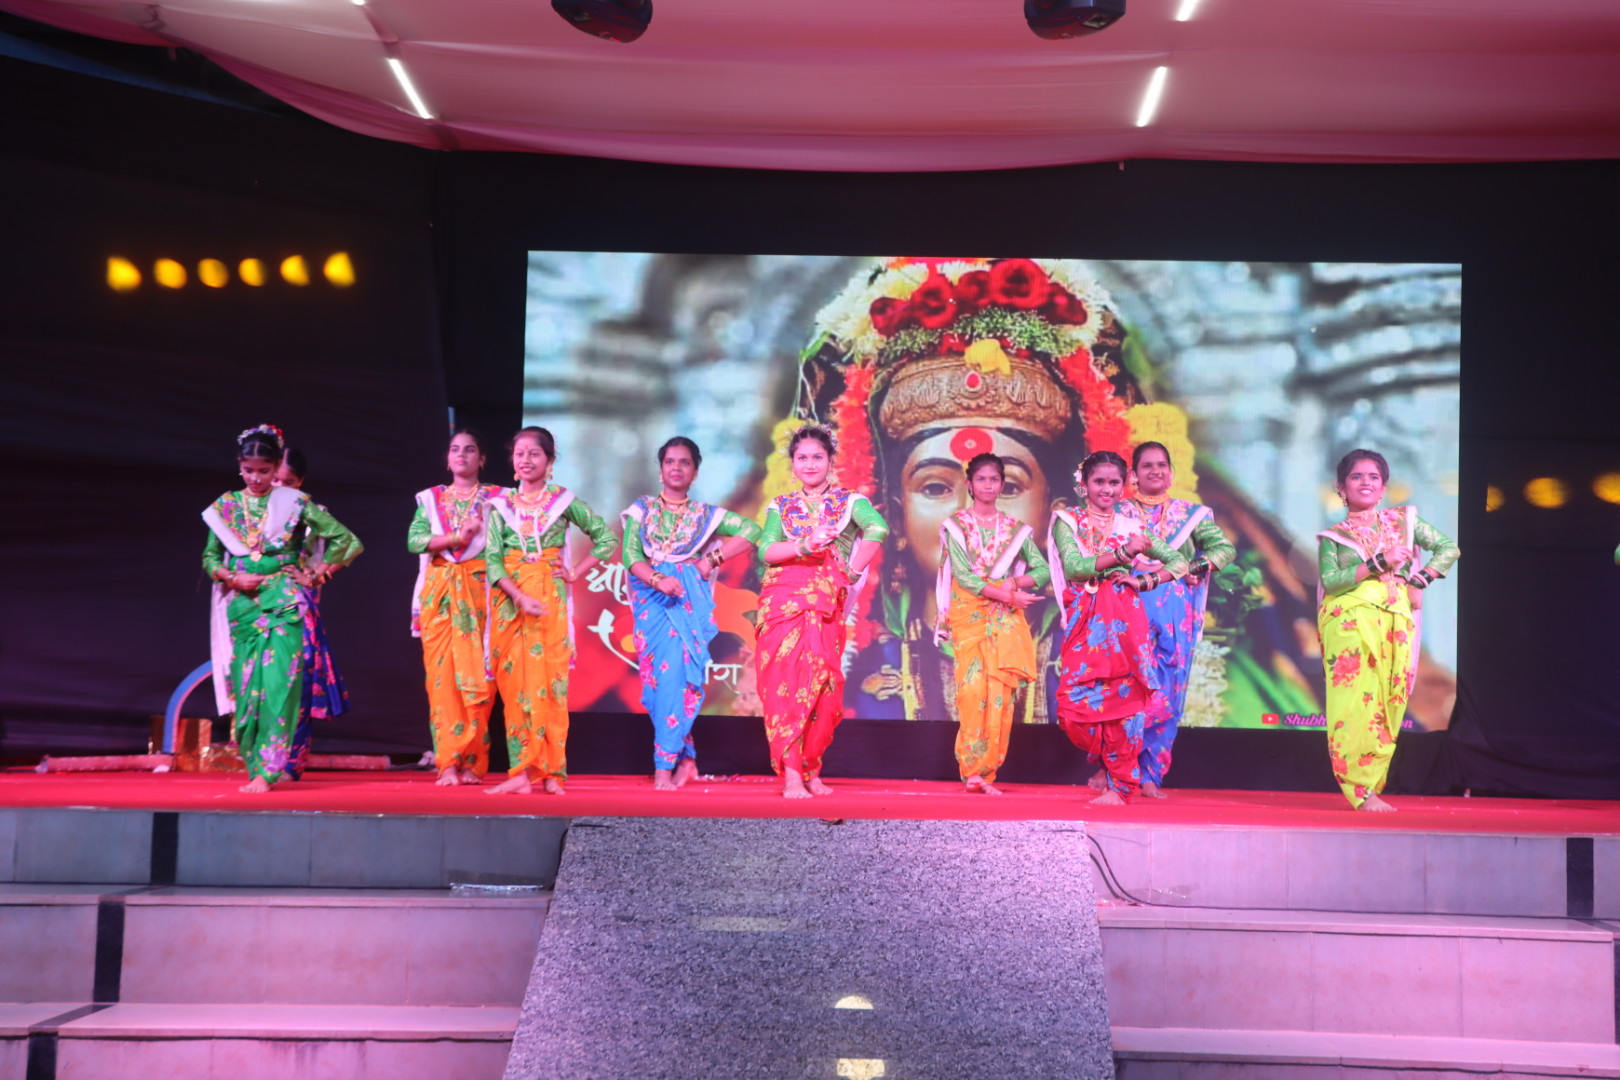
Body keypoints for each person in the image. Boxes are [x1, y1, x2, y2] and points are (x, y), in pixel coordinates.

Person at [202, 425, 362, 793]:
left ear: (276, 468)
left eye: (264, 471)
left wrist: (316, 576)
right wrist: (231, 576)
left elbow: (348, 541)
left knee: (280, 688)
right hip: (244, 607)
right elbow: (210, 557)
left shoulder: (294, 502)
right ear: (239, 466)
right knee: (246, 692)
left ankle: (268, 771)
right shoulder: (226, 506)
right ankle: (255, 765)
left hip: (286, 603)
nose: (256, 478)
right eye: (248, 470)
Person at [1317, 448, 1458, 812]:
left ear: (1383, 488)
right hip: (1349, 623)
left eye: (1373, 477)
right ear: (1341, 488)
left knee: (1388, 702)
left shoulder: (1403, 522)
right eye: (1356, 477)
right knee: (1353, 704)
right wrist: (1379, 561)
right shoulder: (1334, 536)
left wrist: (1420, 579)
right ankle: (1359, 789)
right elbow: (1331, 582)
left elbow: (1447, 548)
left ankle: (1371, 782)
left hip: (1395, 622)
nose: (1365, 483)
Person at [621, 437, 763, 791]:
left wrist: (707, 561)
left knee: (677, 682)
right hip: (651, 603)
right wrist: (658, 579)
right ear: (660, 469)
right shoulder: (642, 509)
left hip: (685, 602)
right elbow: (630, 556)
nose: (676, 468)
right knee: (656, 689)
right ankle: (686, 760)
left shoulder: (705, 515)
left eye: (684, 462)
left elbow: (752, 531)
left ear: (695, 472)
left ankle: (663, 769)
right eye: (670, 461)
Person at [483, 426, 618, 795]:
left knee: (550, 685)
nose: (526, 460)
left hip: (548, 601)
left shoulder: (562, 501)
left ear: (550, 460)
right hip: (511, 603)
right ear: (512, 460)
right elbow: (493, 562)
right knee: (515, 688)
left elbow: (606, 538)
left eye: (534, 454)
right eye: (519, 453)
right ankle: (520, 773)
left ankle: (552, 772)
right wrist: (518, 596)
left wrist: (575, 571)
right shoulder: (500, 506)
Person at [754, 424, 887, 798]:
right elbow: (766, 550)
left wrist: (852, 572)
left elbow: (878, 529)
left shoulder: (850, 502)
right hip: (783, 604)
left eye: (817, 457)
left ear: (830, 461)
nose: (809, 464)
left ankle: (812, 770)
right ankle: (792, 776)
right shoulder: (780, 506)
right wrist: (804, 544)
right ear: (792, 463)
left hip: (827, 604)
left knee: (823, 688)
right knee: (787, 686)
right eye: (802, 458)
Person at [1049, 451, 1188, 806]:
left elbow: (1179, 563)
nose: (1107, 489)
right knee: (1072, 709)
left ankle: (1121, 784)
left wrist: (1144, 582)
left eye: (1114, 482)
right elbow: (1075, 568)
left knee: (1125, 703)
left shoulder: (1131, 526)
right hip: (1085, 617)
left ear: (1124, 485)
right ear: (1084, 484)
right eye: (1099, 481)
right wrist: (1124, 554)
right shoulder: (1068, 520)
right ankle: (1104, 761)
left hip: (1125, 620)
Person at [1114, 441, 1236, 797]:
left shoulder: (1190, 514)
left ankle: (1150, 774)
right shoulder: (1117, 511)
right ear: (1133, 474)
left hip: (1173, 610)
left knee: (1168, 688)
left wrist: (1195, 567)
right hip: (1126, 604)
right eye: (1147, 465)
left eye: (1162, 465)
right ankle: (1114, 766)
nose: (1155, 471)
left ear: (1171, 472)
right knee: (1123, 685)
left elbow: (1224, 549)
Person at [935, 452, 1050, 794]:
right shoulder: (955, 525)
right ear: (969, 484)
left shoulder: (1015, 530)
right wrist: (1008, 596)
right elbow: (966, 578)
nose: (988, 485)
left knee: (1001, 695)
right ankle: (972, 770)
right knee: (972, 692)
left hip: (1002, 620)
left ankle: (987, 773)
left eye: (994, 479)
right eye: (981, 479)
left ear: (1002, 485)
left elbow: (1043, 571)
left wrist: (1013, 584)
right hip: (969, 615)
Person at [408, 429, 503, 786]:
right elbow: (414, 540)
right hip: (441, 595)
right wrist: (455, 538)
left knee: (480, 680)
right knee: (442, 682)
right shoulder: (431, 499)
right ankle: (447, 763)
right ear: (447, 459)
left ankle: (473, 763)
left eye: (470, 450)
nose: (461, 455)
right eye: (455, 450)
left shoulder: (498, 499)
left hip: (482, 594)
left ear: (482, 459)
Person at [268, 447, 354, 781]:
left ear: (300, 482)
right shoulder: (251, 511)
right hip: (260, 608)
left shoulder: (311, 513)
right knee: (266, 685)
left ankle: (292, 762)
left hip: (298, 607)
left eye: (288, 482)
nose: (279, 486)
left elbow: (348, 544)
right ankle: (264, 761)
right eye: (275, 479)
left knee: (298, 682)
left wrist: (317, 577)